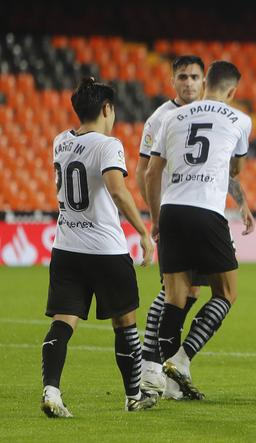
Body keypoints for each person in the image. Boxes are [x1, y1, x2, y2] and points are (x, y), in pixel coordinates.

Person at [137, 56, 253, 399]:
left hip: (171, 210)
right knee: (226, 293)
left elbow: (149, 173)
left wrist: (157, 218)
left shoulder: (171, 118)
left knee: (177, 296)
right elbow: (234, 167)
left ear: (205, 83)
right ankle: (181, 360)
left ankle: (161, 380)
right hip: (205, 211)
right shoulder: (240, 119)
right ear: (231, 90)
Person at [41, 77, 157, 417]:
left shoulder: (60, 142)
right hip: (106, 250)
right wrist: (144, 233)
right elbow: (117, 190)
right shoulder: (109, 145)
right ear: (107, 109)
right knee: (125, 324)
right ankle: (133, 396)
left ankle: (51, 390)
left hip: (66, 248)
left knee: (63, 322)